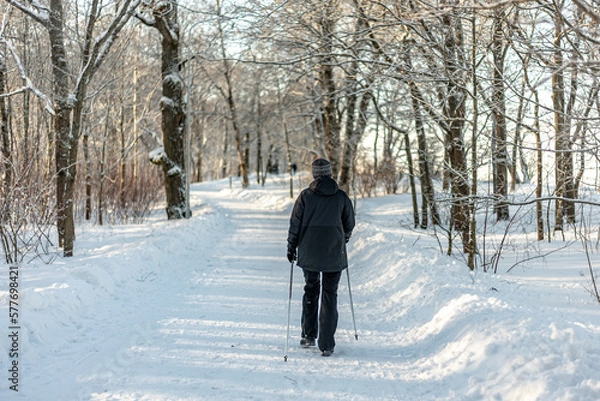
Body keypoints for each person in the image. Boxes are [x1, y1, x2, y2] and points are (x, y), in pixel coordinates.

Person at [286, 158, 355, 357]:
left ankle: (308, 335)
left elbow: (295, 225)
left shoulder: (306, 196)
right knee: (330, 294)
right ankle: (327, 344)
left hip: (310, 251)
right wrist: (344, 238)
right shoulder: (341, 196)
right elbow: (349, 223)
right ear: (330, 173)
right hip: (334, 251)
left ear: (315, 174)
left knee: (311, 289)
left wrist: (291, 247)